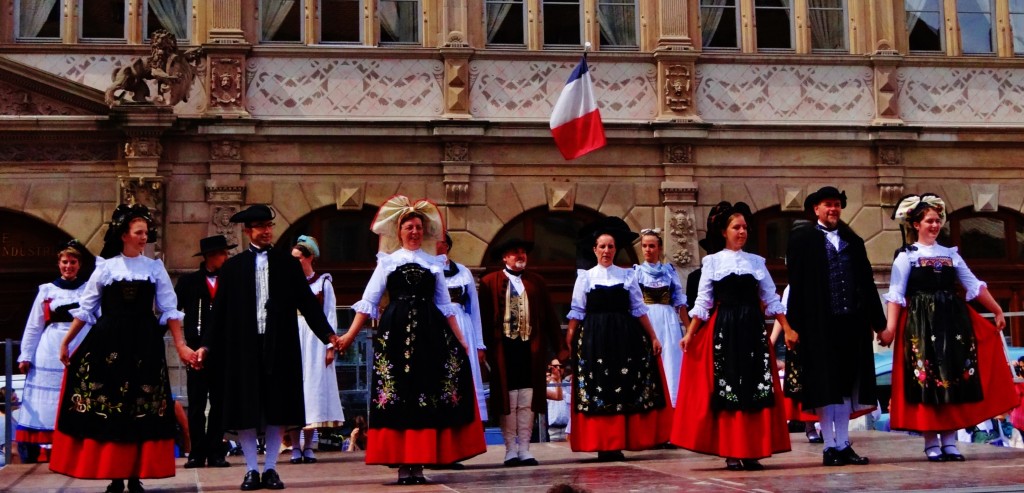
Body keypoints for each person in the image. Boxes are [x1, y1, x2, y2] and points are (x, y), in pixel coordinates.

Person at [336, 195, 485, 485]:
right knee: (398, 395)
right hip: (395, 334)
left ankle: (419, 464)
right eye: (409, 227)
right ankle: (403, 465)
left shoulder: (434, 263)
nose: (414, 232)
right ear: (399, 232)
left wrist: (464, 342)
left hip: (430, 335)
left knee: (425, 395)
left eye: (418, 227)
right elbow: (369, 301)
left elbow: (445, 306)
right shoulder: (388, 263)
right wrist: (350, 335)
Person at [50, 204, 196, 493]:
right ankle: (115, 475)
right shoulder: (105, 267)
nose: (144, 237)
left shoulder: (154, 268)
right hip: (108, 344)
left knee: (140, 409)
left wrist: (180, 345)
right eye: (139, 232)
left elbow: (169, 309)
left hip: (144, 345)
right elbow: (87, 308)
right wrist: (67, 341)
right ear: (124, 235)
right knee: (112, 410)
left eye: (146, 233)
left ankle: (134, 475)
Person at [197, 204, 343, 491]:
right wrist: (205, 346)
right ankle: (251, 469)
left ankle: (272, 468)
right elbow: (219, 313)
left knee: (278, 406)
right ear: (248, 230)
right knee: (246, 406)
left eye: (269, 226)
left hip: (280, 344)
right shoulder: (233, 268)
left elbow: (306, 303)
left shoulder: (287, 264)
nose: (267, 231)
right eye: (260, 227)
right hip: (244, 346)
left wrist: (329, 335)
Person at [880, 193, 1019, 462]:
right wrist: (890, 329)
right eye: (929, 220)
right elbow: (895, 294)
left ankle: (950, 441)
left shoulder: (950, 255)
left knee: (954, 378)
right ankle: (931, 441)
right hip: (920, 326)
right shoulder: (906, 257)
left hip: (952, 324)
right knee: (927, 381)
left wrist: (996, 309)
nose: (934, 225)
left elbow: (973, 284)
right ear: (916, 224)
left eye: (937, 220)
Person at [671, 201, 792, 471]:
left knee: (755, 388)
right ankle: (731, 450)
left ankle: (751, 450)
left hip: (751, 327)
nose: (742, 232)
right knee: (728, 390)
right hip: (724, 329)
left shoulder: (757, 262)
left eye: (745, 227)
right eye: (736, 227)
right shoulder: (712, 262)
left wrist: (788, 327)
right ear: (724, 232)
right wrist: (690, 334)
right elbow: (703, 303)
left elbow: (771, 298)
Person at [784, 186, 885, 466]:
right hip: (818, 325)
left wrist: (880, 324)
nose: (833, 209)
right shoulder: (803, 239)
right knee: (824, 386)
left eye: (837, 204)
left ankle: (843, 443)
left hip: (851, 323)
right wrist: (792, 327)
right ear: (816, 209)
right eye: (828, 204)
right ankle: (829, 445)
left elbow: (866, 283)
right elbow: (798, 285)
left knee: (844, 386)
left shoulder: (853, 240)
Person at [566, 216, 672, 461]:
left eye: (611, 247)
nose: (606, 251)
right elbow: (577, 310)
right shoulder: (586, 277)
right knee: (598, 389)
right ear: (594, 250)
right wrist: (570, 336)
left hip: (624, 337)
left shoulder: (627, 276)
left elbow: (638, 309)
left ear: (616, 250)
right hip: (594, 336)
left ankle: (619, 442)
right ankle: (603, 443)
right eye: (602, 246)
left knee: (622, 388)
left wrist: (653, 337)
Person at [480, 237, 568, 466]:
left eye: (523, 252)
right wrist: (483, 348)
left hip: (530, 349)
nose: (521, 256)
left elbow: (550, 317)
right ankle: (510, 449)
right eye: (515, 252)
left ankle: (525, 448)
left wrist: (560, 350)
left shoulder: (536, 282)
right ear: (505, 257)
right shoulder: (489, 282)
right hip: (504, 351)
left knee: (527, 398)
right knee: (509, 399)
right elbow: (483, 319)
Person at [15, 240, 95, 463]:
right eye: (65, 262)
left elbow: (97, 319)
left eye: (73, 262)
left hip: (80, 341)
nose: (68, 266)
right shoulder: (47, 291)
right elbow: (34, 325)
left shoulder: (89, 289)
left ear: (79, 265)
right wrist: (26, 355)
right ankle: (44, 448)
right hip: (50, 346)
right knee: (49, 398)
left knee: (79, 391)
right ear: (59, 264)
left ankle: (79, 442)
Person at [175, 235, 235, 469]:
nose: (226, 258)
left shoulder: (230, 281)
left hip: (223, 350)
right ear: (211, 256)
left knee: (219, 402)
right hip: (195, 350)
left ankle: (216, 451)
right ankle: (196, 452)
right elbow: (173, 311)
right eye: (223, 253)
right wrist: (184, 345)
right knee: (197, 403)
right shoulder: (189, 282)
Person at [287, 235, 345, 465]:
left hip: (315, 339)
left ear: (309, 257)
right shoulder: (289, 284)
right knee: (294, 389)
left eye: (298, 259)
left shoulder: (323, 283)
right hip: (293, 337)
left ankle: (309, 445)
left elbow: (330, 314)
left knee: (313, 390)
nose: (295, 264)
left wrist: (330, 346)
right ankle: (293, 445)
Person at [634, 228, 689, 408]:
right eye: (644, 246)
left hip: (668, 320)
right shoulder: (636, 272)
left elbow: (679, 301)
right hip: (646, 318)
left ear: (659, 248)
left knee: (671, 360)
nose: (648, 250)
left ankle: (671, 404)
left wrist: (689, 328)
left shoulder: (669, 271)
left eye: (651, 246)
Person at [436, 233, 488, 425]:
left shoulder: (463, 272)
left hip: (462, 324)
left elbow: (474, 308)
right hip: (438, 324)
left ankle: (470, 417)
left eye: (438, 241)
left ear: (446, 245)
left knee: (466, 370)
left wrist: (479, 344)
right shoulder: (429, 270)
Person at [545, 359, 571, 442]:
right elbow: (557, 396)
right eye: (555, 366)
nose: (558, 369)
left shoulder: (568, 385)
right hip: (553, 430)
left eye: (561, 366)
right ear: (550, 368)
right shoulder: (547, 385)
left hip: (567, 429)